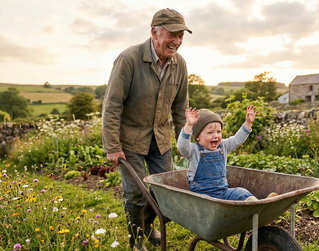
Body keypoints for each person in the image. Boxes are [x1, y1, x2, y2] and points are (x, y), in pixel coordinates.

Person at [102, 8, 191, 251]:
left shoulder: (179, 65)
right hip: (130, 139)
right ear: (154, 32)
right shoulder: (128, 59)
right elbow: (112, 105)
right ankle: (136, 241)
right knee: (136, 193)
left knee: (165, 191)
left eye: (181, 35)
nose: (177, 41)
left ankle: (149, 226)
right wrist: (112, 146)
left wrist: (184, 142)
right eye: (172, 34)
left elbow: (181, 105)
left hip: (160, 139)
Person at [177, 106, 277, 201]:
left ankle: (257, 204)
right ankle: (256, 207)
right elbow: (182, 146)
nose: (215, 136)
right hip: (201, 196)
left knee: (241, 192)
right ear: (198, 137)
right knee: (208, 203)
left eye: (219, 132)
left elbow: (237, 139)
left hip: (223, 192)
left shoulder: (223, 146)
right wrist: (188, 126)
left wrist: (248, 123)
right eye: (210, 132)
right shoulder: (193, 150)